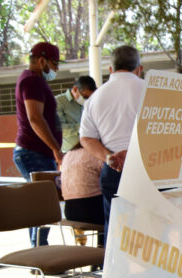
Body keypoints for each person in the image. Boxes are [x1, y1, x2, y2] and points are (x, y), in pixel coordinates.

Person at [80, 45, 144, 241]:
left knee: (116, 230)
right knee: (151, 232)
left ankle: (115, 271)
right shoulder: (150, 90)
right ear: (139, 68)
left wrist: (109, 157)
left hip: (113, 170)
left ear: (110, 69)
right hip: (147, 169)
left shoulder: (95, 97)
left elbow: (86, 138)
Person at [13, 41, 63, 247]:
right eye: (54, 63)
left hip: (39, 153)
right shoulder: (32, 81)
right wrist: (55, 149)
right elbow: (35, 118)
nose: (56, 69)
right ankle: (40, 251)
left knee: (42, 203)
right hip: (35, 153)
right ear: (41, 60)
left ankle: (39, 248)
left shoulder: (35, 81)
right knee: (43, 204)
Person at [60, 143, 105, 246]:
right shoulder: (96, 153)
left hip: (70, 212)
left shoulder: (68, 155)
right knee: (116, 208)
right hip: (91, 212)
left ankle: (100, 251)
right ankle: (103, 251)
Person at [55, 76, 97, 152]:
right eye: (85, 97)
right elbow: (59, 129)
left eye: (90, 98)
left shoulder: (89, 103)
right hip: (70, 152)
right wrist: (83, 127)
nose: (87, 100)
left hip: (91, 150)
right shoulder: (59, 102)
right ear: (75, 89)